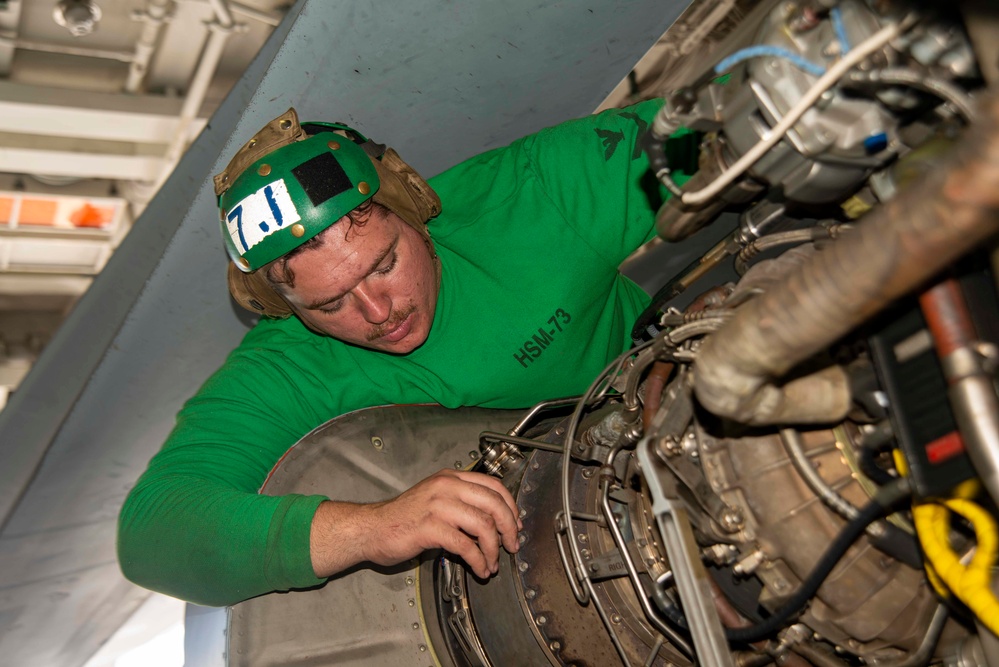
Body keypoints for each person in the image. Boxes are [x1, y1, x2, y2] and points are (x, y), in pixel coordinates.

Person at [117, 99, 697, 607]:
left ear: (414, 206)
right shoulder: (287, 366)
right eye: (329, 304)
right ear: (285, 307)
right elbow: (153, 533)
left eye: (384, 264)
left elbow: (738, 110)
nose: (377, 311)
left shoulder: (531, 196)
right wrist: (371, 528)